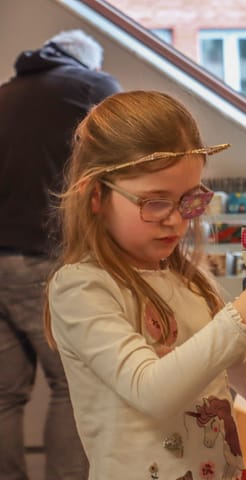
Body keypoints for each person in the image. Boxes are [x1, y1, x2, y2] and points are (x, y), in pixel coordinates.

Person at [42, 90, 246, 480]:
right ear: (96, 195)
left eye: (189, 199)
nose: (175, 220)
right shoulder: (81, 288)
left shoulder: (194, 283)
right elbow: (152, 392)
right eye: (154, 201)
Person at [0, 29, 121, 480]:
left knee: (4, 396)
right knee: (71, 385)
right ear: (88, 64)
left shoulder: (5, 94)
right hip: (44, 257)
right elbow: (132, 151)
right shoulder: (92, 88)